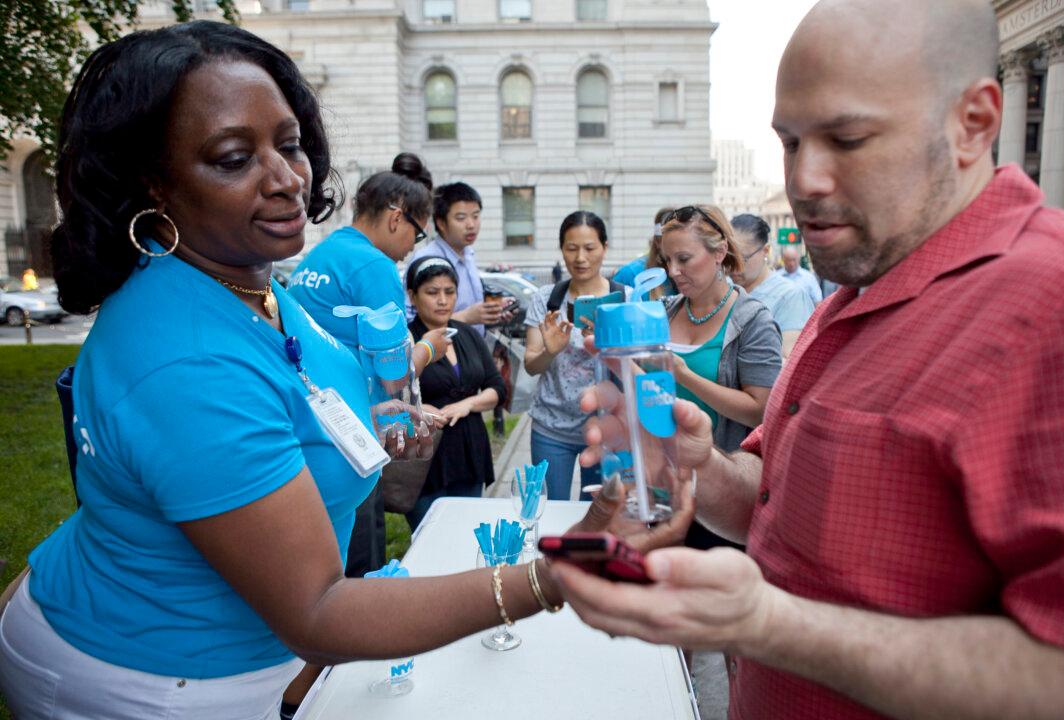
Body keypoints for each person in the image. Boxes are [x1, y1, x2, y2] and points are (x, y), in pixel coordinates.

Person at [0, 22, 636, 720]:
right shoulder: (186, 359)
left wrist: (371, 423)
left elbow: (292, 396)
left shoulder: (250, 282)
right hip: (147, 675)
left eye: (290, 144)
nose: (286, 179)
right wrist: (555, 577)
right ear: (155, 182)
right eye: (234, 157)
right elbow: (317, 611)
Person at [552, 2, 1064, 719]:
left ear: (975, 123)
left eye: (848, 138)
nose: (804, 181)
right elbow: (772, 501)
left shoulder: (1059, 304)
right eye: (790, 142)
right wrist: (696, 464)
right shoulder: (854, 292)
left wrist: (767, 624)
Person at [286, 153, 450, 585]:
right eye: (418, 233)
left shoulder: (324, 254)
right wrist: (430, 349)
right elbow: (394, 371)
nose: (414, 246)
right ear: (397, 218)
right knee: (360, 561)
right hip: (352, 432)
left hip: (306, 421)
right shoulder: (375, 266)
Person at [659, 205, 781, 552]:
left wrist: (686, 375)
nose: (674, 271)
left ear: (719, 253)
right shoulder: (666, 311)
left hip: (721, 490)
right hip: (665, 485)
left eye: (684, 258)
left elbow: (761, 411)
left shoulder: (752, 320)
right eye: (667, 260)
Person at [403, 257, 506, 529]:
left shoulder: (467, 335)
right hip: (426, 459)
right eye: (432, 292)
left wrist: (468, 404)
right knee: (429, 536)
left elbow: (497, 387)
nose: (442, 300)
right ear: (412, 296)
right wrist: (422, 409)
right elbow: (393, 393)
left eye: (449, 292)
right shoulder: (407, 340)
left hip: (469, 451)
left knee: (468, 532)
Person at [523, 211, 619, 501]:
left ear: (604, 247)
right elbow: (530, 365)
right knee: (551, 508)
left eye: (590, 248)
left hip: (605, 428)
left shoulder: (623, 299)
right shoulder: (546, 299)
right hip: (550, 428)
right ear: (562, 249)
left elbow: (638, 365)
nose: (580, 258)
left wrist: (609, 344)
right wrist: (551, 351)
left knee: (597, 512)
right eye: (571, 248)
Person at [406, 181, 510, 336]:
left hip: (473, 350)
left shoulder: (468, 253)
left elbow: (475, 314)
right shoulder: (425, 260)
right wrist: (467, 317)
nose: (471, 225)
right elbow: (410, 322)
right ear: (441, 223)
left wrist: (492, 313)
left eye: (475, 216)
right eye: (461, 218)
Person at [729, 213, 814, 359]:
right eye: (728, 258)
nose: (733, 267)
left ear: (765, 251)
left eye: (743, 259)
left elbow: (789, 361)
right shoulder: (726, 289)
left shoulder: (790, 296)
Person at [611, 206, 677, 296]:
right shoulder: (630, 273)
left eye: (684, 258)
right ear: (657, 242)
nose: (674, 272)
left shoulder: (691, 274)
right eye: (670, 242)